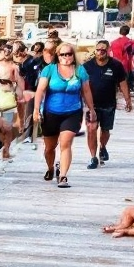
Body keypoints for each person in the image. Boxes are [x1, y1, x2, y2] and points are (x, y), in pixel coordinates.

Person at [32, 43, 97, 189]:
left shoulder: (80, 70)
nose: (66, 57)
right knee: (50, 147)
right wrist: (36, 109)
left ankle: (63, 176)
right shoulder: (49, 70)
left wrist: (91, 109)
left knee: (65, 144)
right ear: (57, 56)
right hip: (51, 113)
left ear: (73, 55)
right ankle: (50, 168)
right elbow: (40, 90)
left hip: (72, 112)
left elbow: (86, 91)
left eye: (69, 54)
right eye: (63, 54)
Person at [82, 40, 132, 169]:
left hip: (109, 103)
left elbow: (122, 83)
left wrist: (128, 100)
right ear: (95, 51)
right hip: (91, 104)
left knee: (106, 130)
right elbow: (80, 84)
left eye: (103, 50)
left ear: (108, 50)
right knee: (91, 129)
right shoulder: (87, 66)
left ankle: (102, 147)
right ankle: (93, 157)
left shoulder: (116, 65)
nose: (100, 52)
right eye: (98, 50)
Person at [109, 25, 134, 94]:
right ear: (128, 32)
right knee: (124, 81)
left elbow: (110, 53)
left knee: (115, 81)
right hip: (125, 63)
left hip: (114, 63)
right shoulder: (130, 42)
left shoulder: (113, 42)